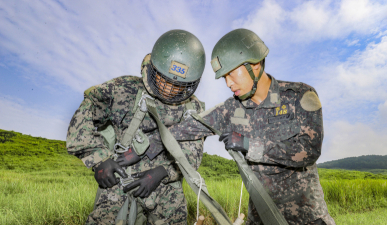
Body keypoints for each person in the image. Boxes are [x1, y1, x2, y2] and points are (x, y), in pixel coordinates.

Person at [164, 29, 336, 225]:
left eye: (231, 73)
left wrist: (249, 145)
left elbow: (309, 150)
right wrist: (148, 142)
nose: (228, 83)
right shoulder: (231, 109)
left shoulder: (300, 95)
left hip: (307, 219)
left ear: (254, 64)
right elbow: (186, 129)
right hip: (260, 219)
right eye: (224, 77)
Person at [66, 29, 206, 225]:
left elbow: (193, 153)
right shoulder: (123, 89)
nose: (169, 89)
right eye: (164, 80)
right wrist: (99, 159)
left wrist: (163, 172)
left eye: (179, 86)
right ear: (154, 68)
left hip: (167, 192)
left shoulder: (193, 108)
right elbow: (83, 118)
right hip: (119, 183)